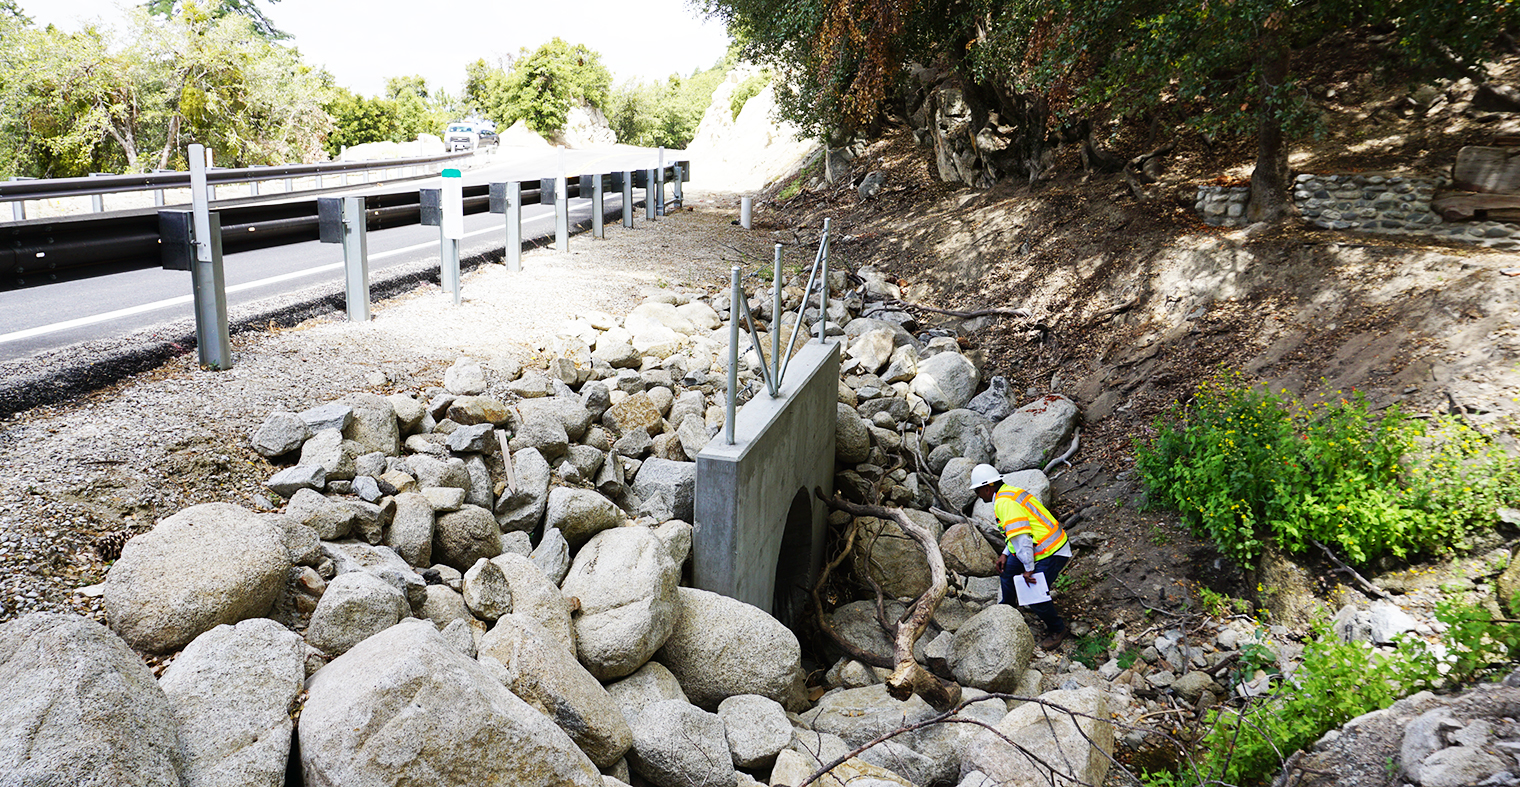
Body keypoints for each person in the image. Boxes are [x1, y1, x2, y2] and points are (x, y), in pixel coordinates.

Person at [969, 463, 1072, 649]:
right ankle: (1008, 607)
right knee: (1007, 570)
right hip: (1040, 547)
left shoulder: (1004, 503)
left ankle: (1057, 629)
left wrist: (1029, 569)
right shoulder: (1009, 493)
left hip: (1051, 551)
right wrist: (1005, 553)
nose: (977, 494)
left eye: (977, 490)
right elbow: (1015, 534)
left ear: (987, 487)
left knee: (1033, 593)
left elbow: (1023, 539)